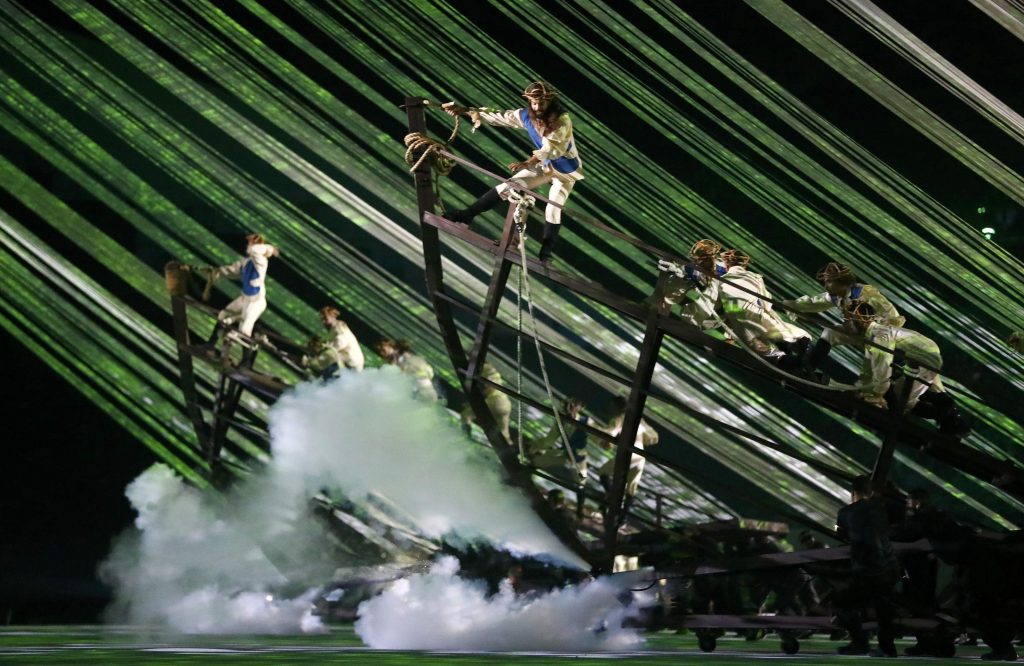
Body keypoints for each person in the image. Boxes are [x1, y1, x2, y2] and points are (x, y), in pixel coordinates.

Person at [443, 81, 583, 261]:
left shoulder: (561, 120)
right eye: (534, 102)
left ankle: (546, 251)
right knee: (510, 186)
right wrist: (465, 110)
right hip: (544, 165)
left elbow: (552, 149)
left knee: (553, 208)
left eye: (541, 102)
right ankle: (467, 215)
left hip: (565, 170)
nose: (538, 106)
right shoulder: (526, 115)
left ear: (550, 101)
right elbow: (500, 116)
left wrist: (528, 162)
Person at [846, 301, 969, 436]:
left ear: (860, 320)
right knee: (899, 391)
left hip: (924, 360)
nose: (846, 324)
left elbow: (882, 368)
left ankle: (948, 415)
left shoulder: (878, 334)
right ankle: (948, 412)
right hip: (922, 358)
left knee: (901, 398)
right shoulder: (878, 331)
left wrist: (875, 395)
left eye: (848, 320)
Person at [782, 262, 904, 373]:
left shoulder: (867, 294)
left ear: (842, 281)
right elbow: (814, 303)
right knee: (830, 332)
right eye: (825, 282)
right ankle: (808, 367)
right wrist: (792, 305)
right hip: (856, 331)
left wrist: (877, 329)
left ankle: (895, 369)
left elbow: (892, 315)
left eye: (829, 282)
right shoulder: (835, 296)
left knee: (878, 364)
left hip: (878, 334)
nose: (826, 286)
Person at [834, 474, 901, 657]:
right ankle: (887, 648)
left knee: (842, 603)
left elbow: (843, 535)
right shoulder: (884, 508)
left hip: (865, 568)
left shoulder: (846, 512)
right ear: (871, 492)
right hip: (889, 566)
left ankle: (860, 642)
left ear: (853, 492)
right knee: (884, 608)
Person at [717, 248, 810, 364]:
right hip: (756, 311)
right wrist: (767, 313)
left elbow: (722, 307)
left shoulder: (721, 281)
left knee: (759, 348)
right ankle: (801, 346)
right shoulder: (755, 277)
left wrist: (728, 335)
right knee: (778, 330)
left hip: (740, 316)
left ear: (726, 264)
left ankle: (791, 363)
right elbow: (766, 300)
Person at [203, 233, 279, 342]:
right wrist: (217, 270)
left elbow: (255, 251)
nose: (248, 244)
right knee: (223, 315)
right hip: (244, 298)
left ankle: (247, 358)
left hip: (255, 303)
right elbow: (232, 270)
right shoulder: (246, 261)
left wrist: (269, 248)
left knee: (244, 331)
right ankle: (210, 346)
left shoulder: (262, 261)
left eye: (251, 242)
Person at [598, 396, 659, 511]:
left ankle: (612, 497)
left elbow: (610, 433)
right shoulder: (638, 419)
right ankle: (623, 518)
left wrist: (602, 437)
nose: (610, 408)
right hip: (640, 456)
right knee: (631, 489)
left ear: (617, 407)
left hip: (629, 454)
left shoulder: (618, 419)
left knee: (603, 472)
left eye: (612, 405)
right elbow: (653, 437)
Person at [656, 239, 727, 332]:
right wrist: (674, 270)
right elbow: (681, 274)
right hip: (701, 315)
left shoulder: (724, 269)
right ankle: (661, 314)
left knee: (714, 290)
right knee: (677, 282)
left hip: (719, 313)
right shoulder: (692, 269)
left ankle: (689, 326)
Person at [527, 397, 590, 483]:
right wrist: (534, 447)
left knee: (581, 482)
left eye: (575, 404)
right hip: (564, 455)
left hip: (577, 458)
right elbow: (548, 440)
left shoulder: (585, 422)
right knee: (536, 461)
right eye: (570, 402)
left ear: (580, 408)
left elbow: (599, 435)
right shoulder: (562, 421)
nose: (571, 405)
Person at [304, 306, 364, 379]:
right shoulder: (335, 329)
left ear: (332, 316)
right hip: (349, 364)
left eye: (325, 318)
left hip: (352, 364)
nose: (323, 322)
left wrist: (324, 350)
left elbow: (340, 343)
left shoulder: (339, 327)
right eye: (322, 319)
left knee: (328, 374)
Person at [460, 363, 512, 443]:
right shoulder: (490, 369)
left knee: (466, 415)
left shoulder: (485, 369)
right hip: (504, 401)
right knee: (503, 430)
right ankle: (507, 443)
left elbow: (488, 386)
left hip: (495, 401)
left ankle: (465, 437)